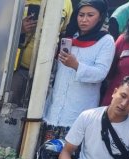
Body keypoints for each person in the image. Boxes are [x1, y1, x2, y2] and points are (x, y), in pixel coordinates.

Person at [43, 0, 115, 139]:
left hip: (79, 110)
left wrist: (76, 65)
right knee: (47, 152)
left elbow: (100, 73)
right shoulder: (69, 37)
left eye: (90, 15)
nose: (84, 19)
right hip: (54, 109)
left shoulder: (106, 41)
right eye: (81, 15)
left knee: (70, 155)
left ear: (100, 17)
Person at [11, 0, 73, 106]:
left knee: (37, 110)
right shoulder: (18, 2)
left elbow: (63, 31)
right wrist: (19, 28)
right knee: (11, 106)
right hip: (18, 68)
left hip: (46, 70)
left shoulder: (66, 3)